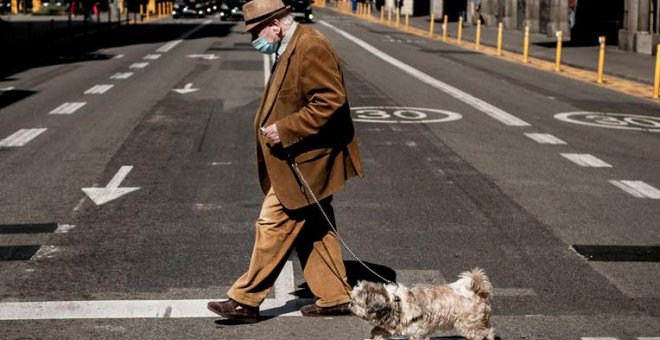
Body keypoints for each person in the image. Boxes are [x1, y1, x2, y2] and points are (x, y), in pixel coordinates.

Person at [207, 0, 364, 323]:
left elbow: (330, 100)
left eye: (257, 31)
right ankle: (336, 296)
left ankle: (245, 300)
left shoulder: (310, 47)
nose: (255, 40)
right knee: (316, 229)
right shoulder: (290, 45)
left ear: (276, 23)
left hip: (308, 160)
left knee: (272, 224)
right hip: (299, 158)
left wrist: (286, 128)